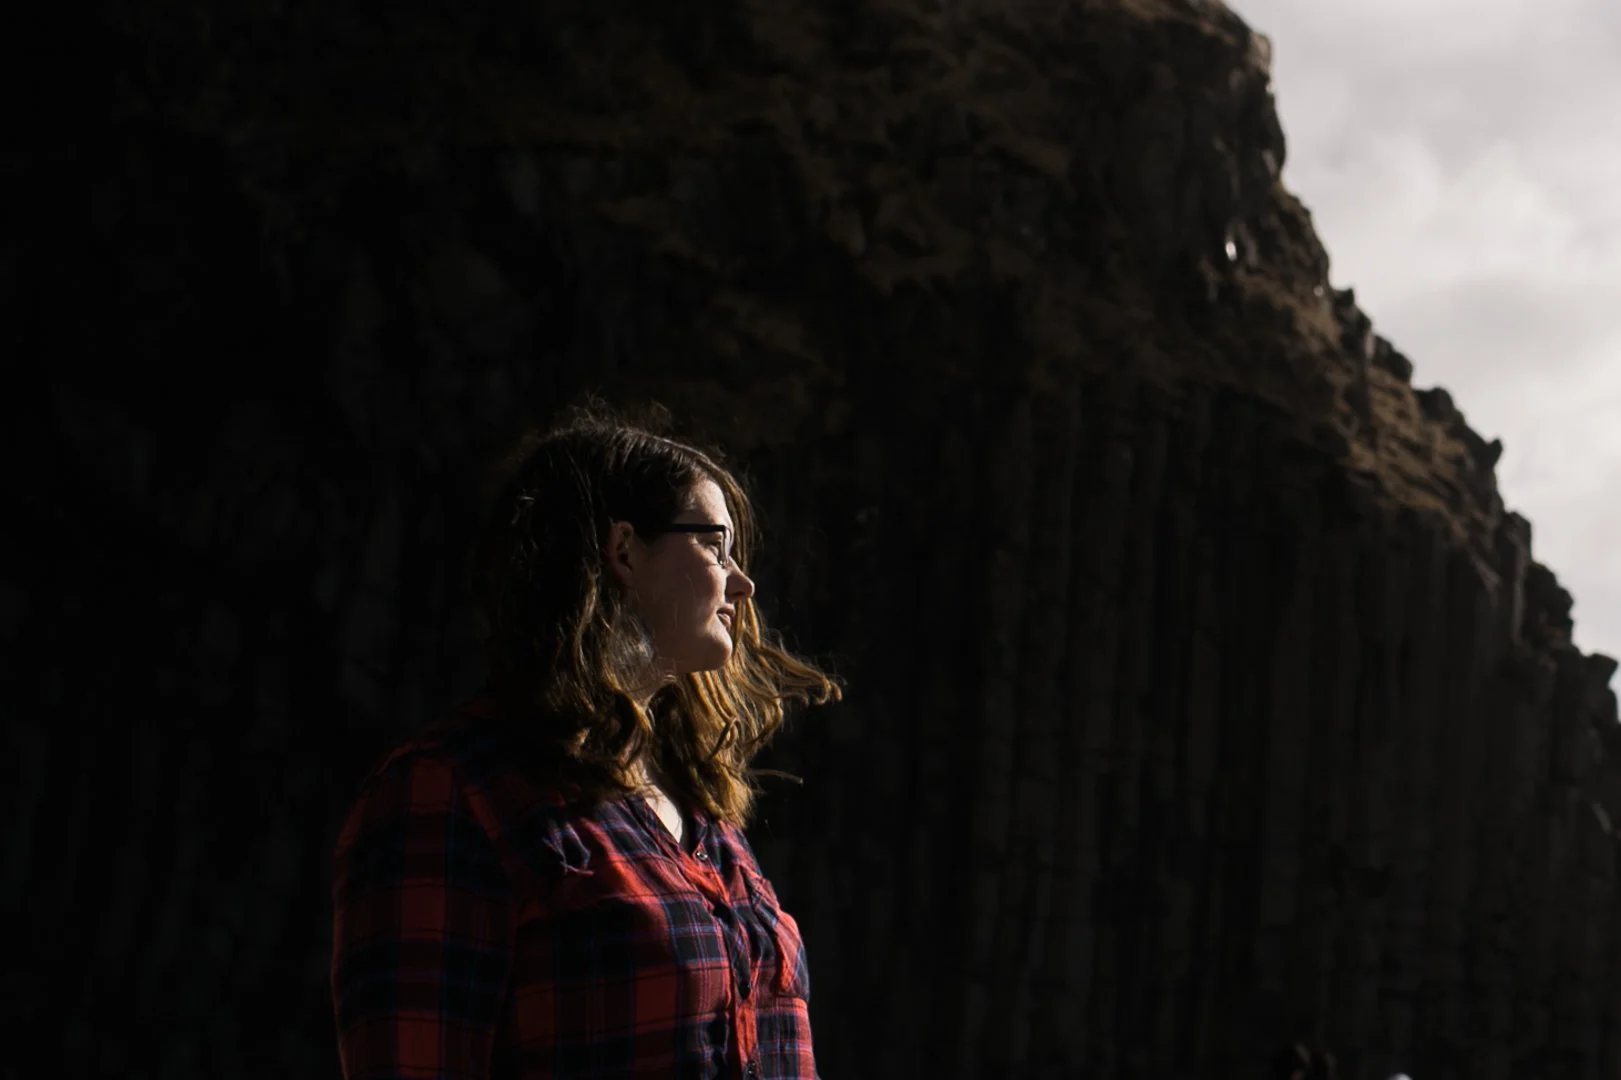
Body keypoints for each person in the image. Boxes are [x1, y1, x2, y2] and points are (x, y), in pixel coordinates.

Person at [329, 408, 841, 1079]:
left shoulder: (704, 817)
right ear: (624, 550)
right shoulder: (453, 792)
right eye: (716, 546)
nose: (741, 584)